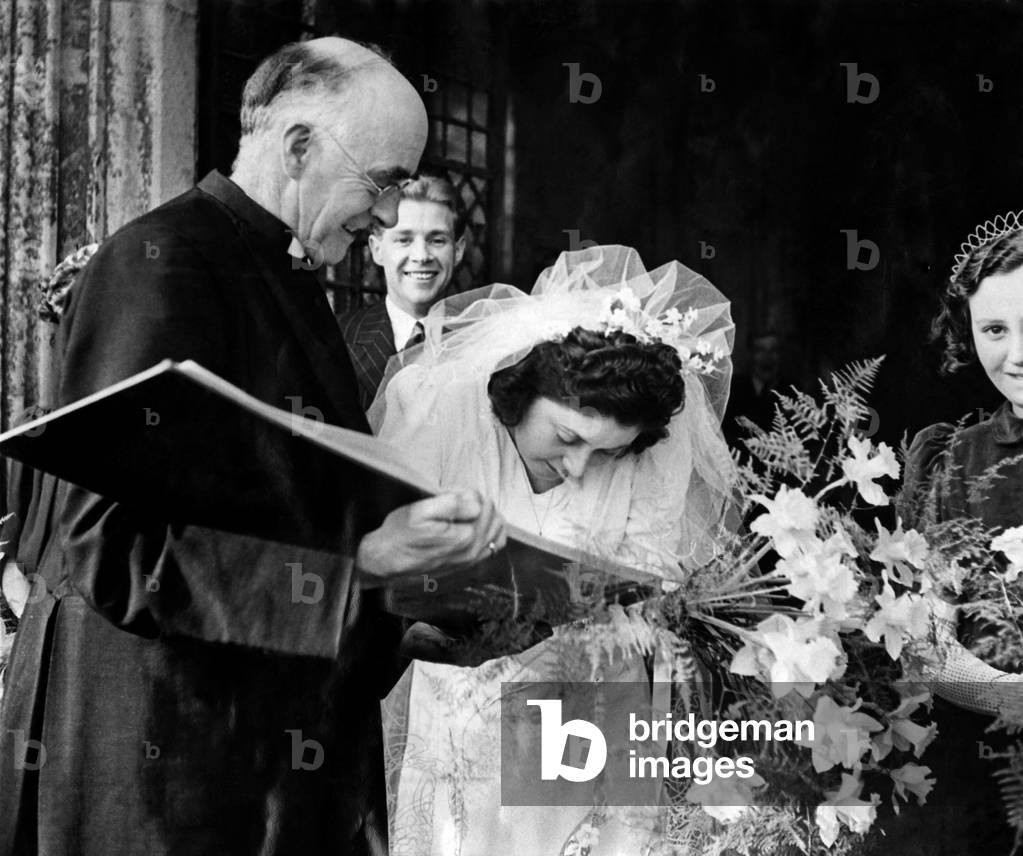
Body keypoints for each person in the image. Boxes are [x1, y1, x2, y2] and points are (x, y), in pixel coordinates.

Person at [0, 37, 507, 856]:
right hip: (163, 778)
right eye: (381, 183)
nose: (385, 216)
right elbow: (105, 547)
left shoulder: (292, 280)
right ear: (299, 145)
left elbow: (283, 519)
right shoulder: (159, 264)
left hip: (262, 772)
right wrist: (364, 574)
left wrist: (399, 621)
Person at [372, 245, 737, 855]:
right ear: (520, 392)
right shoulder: (438, 405)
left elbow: (645, 590)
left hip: (592, 707)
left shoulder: (653, 455)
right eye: (567, 436)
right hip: (463, 708)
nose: (577, 467)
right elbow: (385, 559)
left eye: (608, 453)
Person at [877, 212, 1023, 855]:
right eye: (995, 329)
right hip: (992, 771)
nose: (1017, 355)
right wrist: (1007, 694)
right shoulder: (957, 460)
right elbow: (929, 641)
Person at [341, 171, 467, 410]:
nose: (421, 256)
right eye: (404, 240)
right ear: (377, 249)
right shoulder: (338, 339)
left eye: (437, 240)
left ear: (458, 250)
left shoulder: (483, 342)